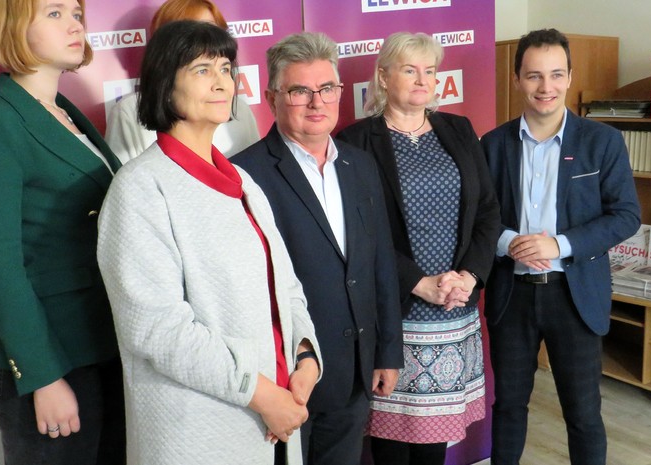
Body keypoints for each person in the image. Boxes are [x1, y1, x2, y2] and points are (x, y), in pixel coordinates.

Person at [96, 21, 321, 465]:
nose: (222, 82)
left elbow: (286, 287)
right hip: (199, 432)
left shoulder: (244, 182)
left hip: (275, 419)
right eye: (202, 70)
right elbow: (157, 328)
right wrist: (262, 394)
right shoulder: (140, 188)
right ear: (165, 84)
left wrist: (306, 356)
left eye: (225, 68)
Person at [0, 1, 125, 464]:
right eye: (53, 13)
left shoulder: (65, 113)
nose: (73, 24)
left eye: (76, 13)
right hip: (48, 360)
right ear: (15, 27)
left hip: (103, 347)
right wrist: (43, 376)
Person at [232, 32, 404, 465]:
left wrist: (387, 351)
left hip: (354, 373)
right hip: (284, 379)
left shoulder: (360, 164)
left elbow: (381, 262)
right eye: (299, 91)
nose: (316, 102)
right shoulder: (244, 175)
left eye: (327, 88)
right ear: (272, 97)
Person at [337, 32, 500, 465]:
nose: (422, 79)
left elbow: (487, 212)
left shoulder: (459, 130)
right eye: (410, 69)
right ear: (383, 77)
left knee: (432, 446)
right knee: (389, 443)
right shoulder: (355, 140)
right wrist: (417, 282)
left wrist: (470, 276)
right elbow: (356, 233)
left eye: (430, 70)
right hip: (395, 314)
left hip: (453, 309)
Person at [480, 28, 641, 465]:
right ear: (517, 79)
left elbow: (626, 215)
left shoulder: (602, 141)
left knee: (583, 415)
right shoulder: (492, 145)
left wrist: (559, 244)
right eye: (534, 75)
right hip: (511, 296)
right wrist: (509, 242)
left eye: (555, 74)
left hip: (575, 295)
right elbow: (479, 218)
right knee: (508, 407)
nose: (545, 86)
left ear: (569, 77)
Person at [105, 0, 260, 162]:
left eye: (224, 69)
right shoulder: (129, 113)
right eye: (202, 70)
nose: (205, 39)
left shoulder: (239, 110)